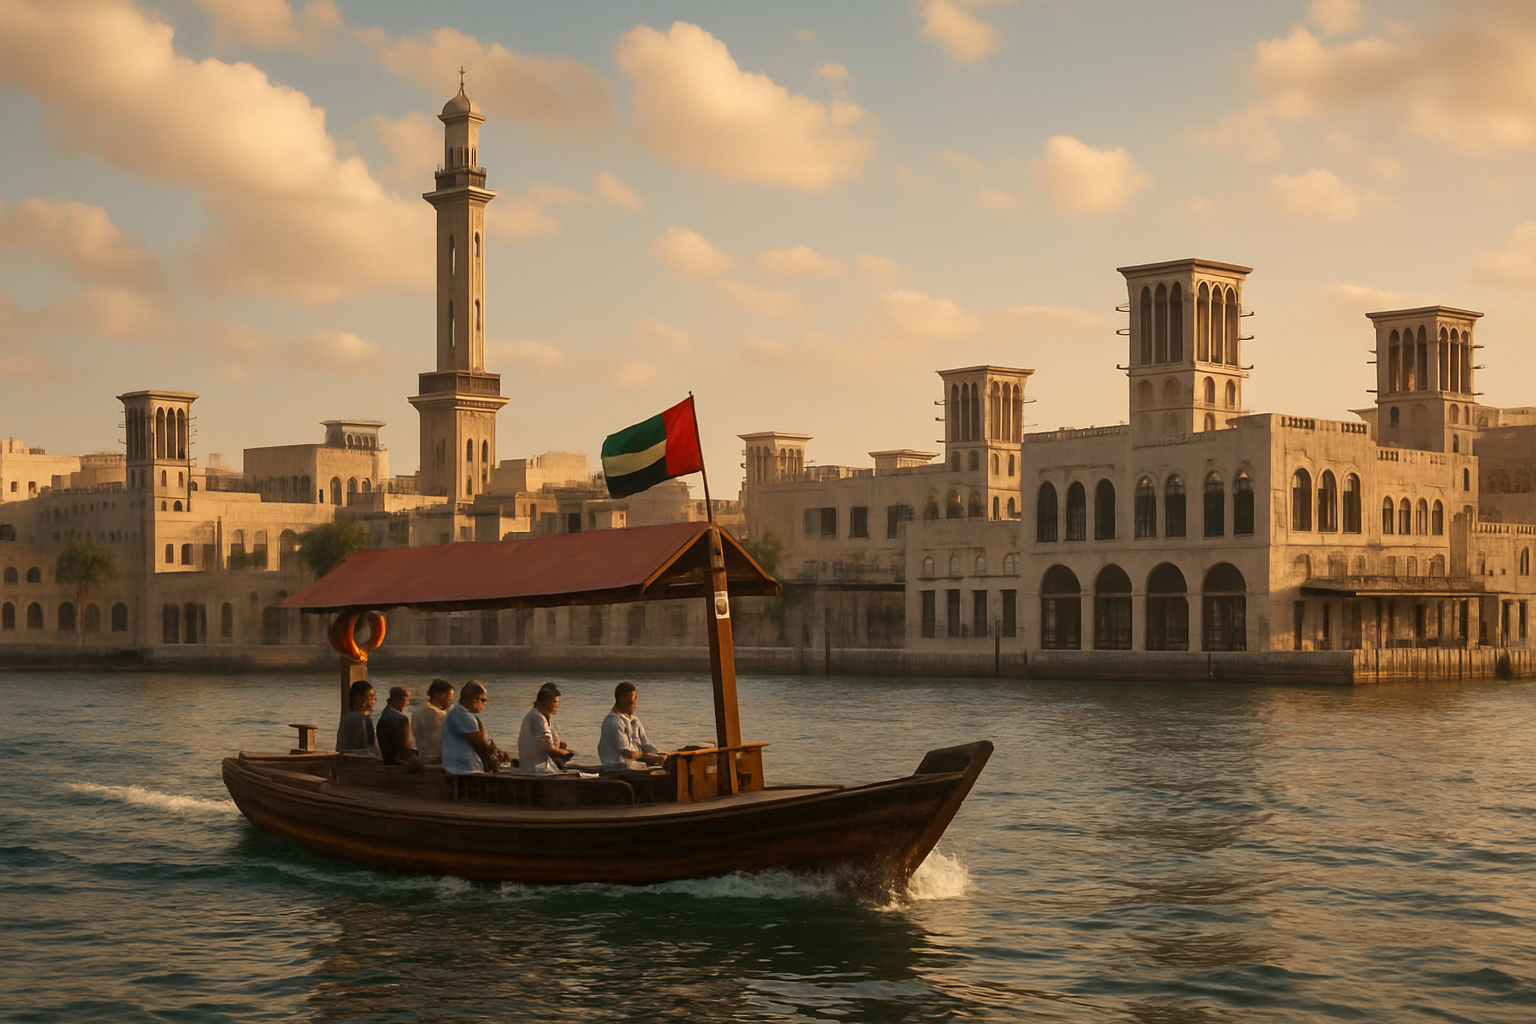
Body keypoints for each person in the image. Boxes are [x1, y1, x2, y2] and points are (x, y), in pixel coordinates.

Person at [440, 680, 504, 775]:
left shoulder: (460, 713)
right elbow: (480, 745)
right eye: (483, 700)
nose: (484, 703)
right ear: (474, 699)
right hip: (462, 769)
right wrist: (494, 749)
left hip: (461, 767)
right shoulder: (462, 715)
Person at [598, 681, 666, 771]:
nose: (635, 702)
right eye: (633, 699)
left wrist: (660, 755)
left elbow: (645, 745)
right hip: (618, 769)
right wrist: (648, 758)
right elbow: (627, 754)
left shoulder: (635, 721)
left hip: (636, 767)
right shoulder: (613, 722)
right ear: (622, 700)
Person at [516, 682, 572, 775]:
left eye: (558, 703)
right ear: (541, 702)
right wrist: (565, 754)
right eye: (554, 702)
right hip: (539, 770)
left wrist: (560, 746)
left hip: (537, 768)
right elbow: (548, 748)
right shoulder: (538, 718)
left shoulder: (540, 717)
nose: (557, 706)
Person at [411, 679, 454, 764]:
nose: (451, 701)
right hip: (435, 760)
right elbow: (438, 741)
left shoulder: (418, 710)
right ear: (438, 695)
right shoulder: (435, 713)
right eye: (449, 698)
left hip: (422, 757)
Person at [335, 679, 380, 756]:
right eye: (370, 697)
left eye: (374, 697)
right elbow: (362, 746)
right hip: (358, 760)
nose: (373, 701)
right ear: (358, 698)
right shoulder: (361, 718)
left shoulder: (348, 717)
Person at [377, 686, 416, 765]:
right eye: (407, 700)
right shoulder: (402, 719)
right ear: (401, 699)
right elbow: (404, 748)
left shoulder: (385, 713)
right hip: (397, 761)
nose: (408, 703)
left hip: (386, 758)